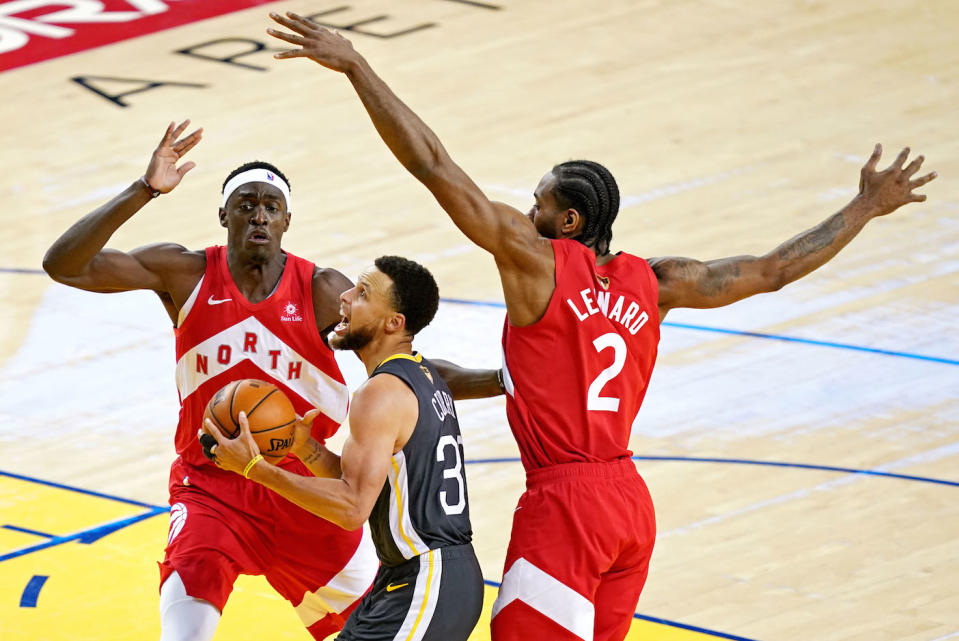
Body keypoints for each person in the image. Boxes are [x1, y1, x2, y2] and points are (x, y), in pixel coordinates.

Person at [264, 12, 940, 641]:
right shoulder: (660, 280)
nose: (525, 212)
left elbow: (435, 168)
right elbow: (771, 271)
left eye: (538, 203)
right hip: (628, 507)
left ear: (567, 224)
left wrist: (356, 66)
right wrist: (861, 207)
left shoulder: (539, 266)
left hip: (565, 503)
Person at [42, 121, 383, 641]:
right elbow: (63, 265)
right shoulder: (184, 272)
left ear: (288, 219)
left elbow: (391, 368)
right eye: (246, 205)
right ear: (224, 214)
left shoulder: (322, 290)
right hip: (211, 486)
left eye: (271, 206)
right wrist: (144, 190)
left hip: (301, 486)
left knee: (379, 630)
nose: (260, 215)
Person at [202, 255, 485, 641]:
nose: (346, 297)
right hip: (423, 577)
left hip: (427, 579)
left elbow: (352, 508)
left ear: (393, 322)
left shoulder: (380, 392)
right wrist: (307, 449)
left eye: (363, 293)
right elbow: (367, 482)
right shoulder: (418, 374)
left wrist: (255, 468)